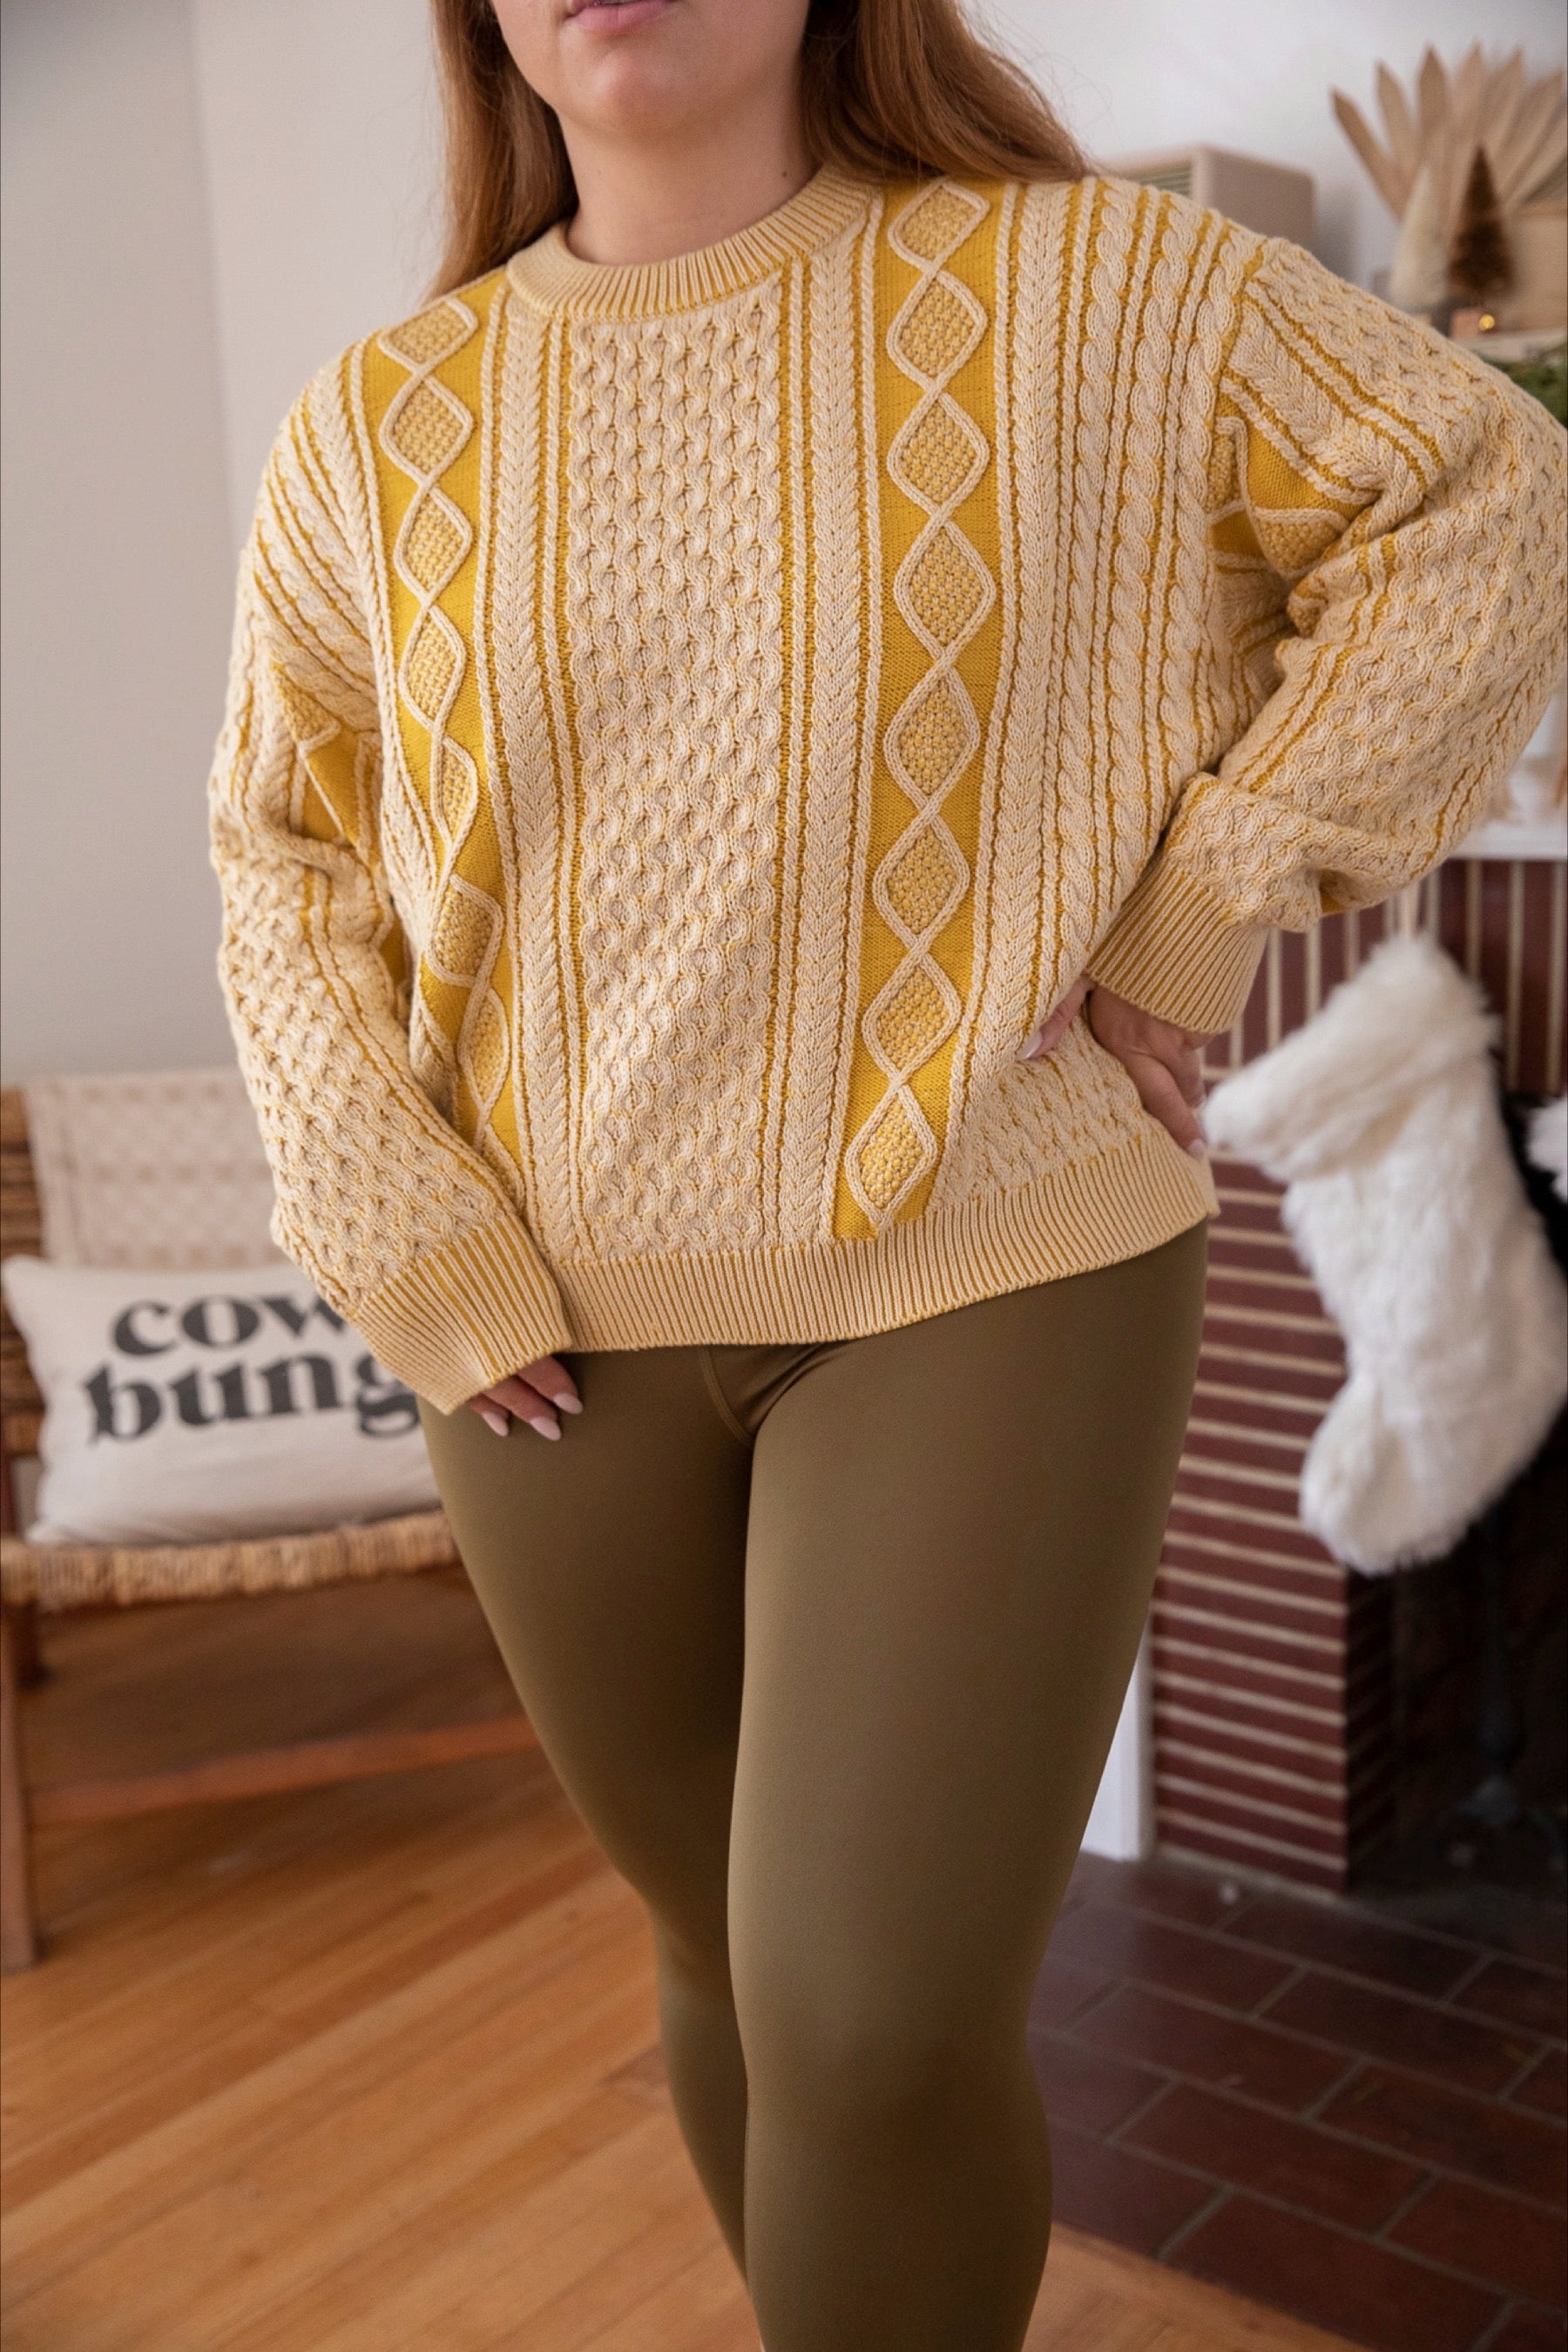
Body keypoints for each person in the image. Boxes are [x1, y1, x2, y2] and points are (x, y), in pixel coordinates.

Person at [207, 1, 1567, 2342]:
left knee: (862, 2011)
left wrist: (1204, 899)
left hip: (990, 1255)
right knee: (729, 1958)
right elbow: (281, 861)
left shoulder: (1100, 290)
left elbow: (1488, 498)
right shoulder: (377, 424)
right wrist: (394, 1221)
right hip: (537, 1332)